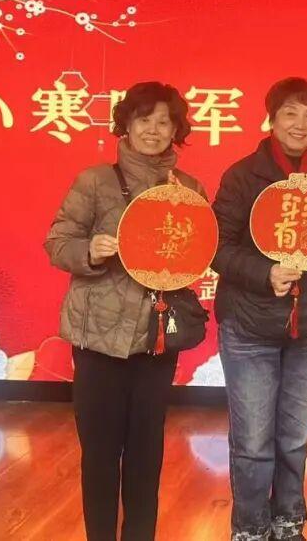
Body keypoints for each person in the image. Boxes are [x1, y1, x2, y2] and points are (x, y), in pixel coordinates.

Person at [45, 81, 207, 541]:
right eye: (144, 120)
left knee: (145, 454)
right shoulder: (95, 181)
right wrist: (90, 250)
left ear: (176, 130)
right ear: (126, 125)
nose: (153, 130)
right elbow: (57, 242)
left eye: (164, 122)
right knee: (99, 454)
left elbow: (197, 254)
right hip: (97, 339)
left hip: (156, 339)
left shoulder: (188, 189)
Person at [212, 77, 307, 541]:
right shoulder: (243, 175)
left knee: (295, 439)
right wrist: (266, 273)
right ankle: (251, 528)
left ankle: (289, 522)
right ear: (272, 120)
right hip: (249, 325)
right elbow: (217, 247)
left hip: (305, 325)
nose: (300, 124)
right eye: (290, 113)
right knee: (254, 442)